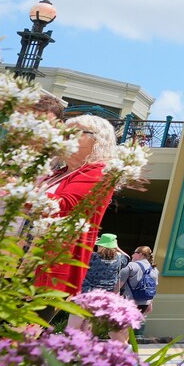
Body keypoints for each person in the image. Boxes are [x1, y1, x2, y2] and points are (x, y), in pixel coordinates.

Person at [36, 115, 119, 298]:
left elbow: (66, 206)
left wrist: (19, 190)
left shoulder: (99, 172)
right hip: (14, 258)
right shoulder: (56, 173)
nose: (65, 138)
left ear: (98, 140)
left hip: (51, 266)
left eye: (74, 133)